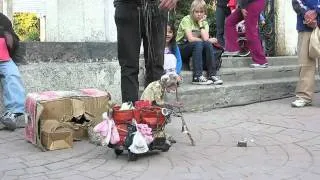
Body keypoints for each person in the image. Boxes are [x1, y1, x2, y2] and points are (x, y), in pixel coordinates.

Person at [113, 0, 178, 103]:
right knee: (129, 67)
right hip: (127, 5)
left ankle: (153, 114)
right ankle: (130, 113)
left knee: (156, 66)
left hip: (157, 6)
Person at [176, 0, 223, 85]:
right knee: (200, 43)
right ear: (192, 11)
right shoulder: (186, 19)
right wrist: (207, 40)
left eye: (201, 12)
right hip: (181, 48)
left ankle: (212, 75)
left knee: (206, 44)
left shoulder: (204, 23)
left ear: (205, 12)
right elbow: (190, 39)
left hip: (196, 48)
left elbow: (205, 39)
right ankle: (197, 76)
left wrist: (200, 24)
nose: (199, 14)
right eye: (196, 12)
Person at [291, 0, 320, 107]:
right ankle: (304, 96)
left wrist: (316, 11)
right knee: (305, 63)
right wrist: (307, 14)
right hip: (305, 26)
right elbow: (296, 2)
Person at [0, 13, 26, 130]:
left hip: (4, 60)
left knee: (13, 75)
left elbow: (14, 39)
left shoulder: (3, 19)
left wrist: (10, 39)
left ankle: (13, 114)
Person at [224, 0, 268, 68]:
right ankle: (233, 49)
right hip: (247, 3)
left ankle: (261, 61)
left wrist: (243, 6)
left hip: (252, 3)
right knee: (230, 22)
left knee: (250, 31)